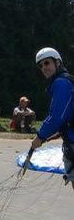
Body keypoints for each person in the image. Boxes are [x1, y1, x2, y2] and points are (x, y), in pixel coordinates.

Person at [31, 47, 74, 190]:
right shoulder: (66, 82)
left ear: (58, 63)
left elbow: (57, 116)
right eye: (41, 65)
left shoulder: (61, 83)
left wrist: (40, 135)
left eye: (47, 63)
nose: (44, 68)